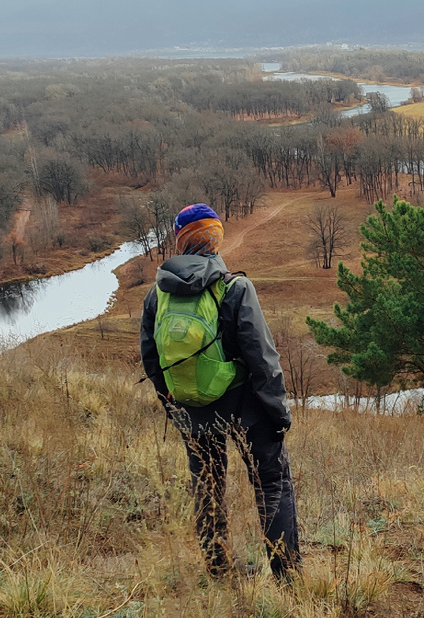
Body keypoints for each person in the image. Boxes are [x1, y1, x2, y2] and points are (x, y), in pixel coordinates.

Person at [139, 203, 301, 579]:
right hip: (248, 410)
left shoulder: (157, 294)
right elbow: (262, 359)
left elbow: (152, 358)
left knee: (207, 487)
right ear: (215, 240)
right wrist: (277, 412)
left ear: (181, 242)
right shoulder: (235, 287)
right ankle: (288, 576)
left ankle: (218, 569)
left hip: (192, 411)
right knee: (272, 485)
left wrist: (174, 405)